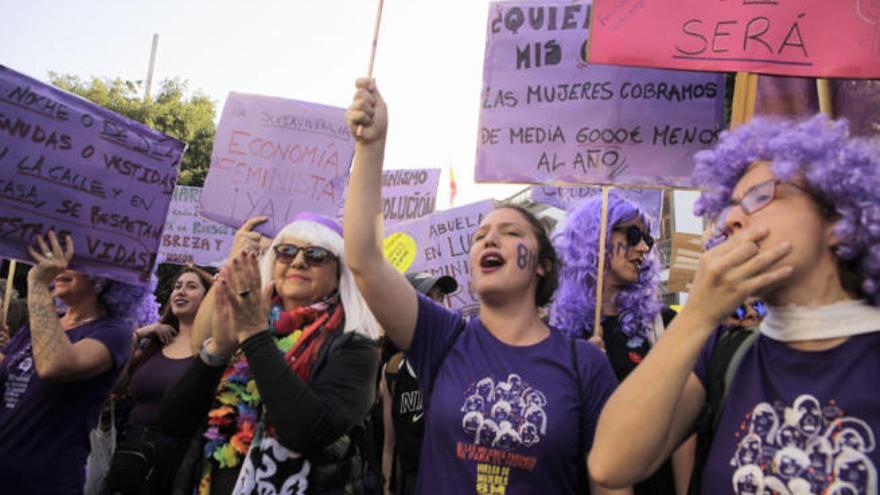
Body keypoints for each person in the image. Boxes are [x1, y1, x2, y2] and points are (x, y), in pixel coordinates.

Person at [344, 78, 627, 494]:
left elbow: (613, 484)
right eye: (481, 236)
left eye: (511, 232)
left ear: (543, 266)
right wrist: (371, 148)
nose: (489, 239)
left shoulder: (585, 364)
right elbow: (365, 260)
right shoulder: (442, 338)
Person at [588, 115, 880, 495]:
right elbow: (610, 464)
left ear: (837, 221)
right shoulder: (724, 353)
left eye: (761, 196)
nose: (732, 221)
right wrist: (697, 314)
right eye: (730, 208)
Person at [160, 213, 381, 494]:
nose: (299, 261)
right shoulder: (248, 323)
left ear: (339, 273)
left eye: (316, 254)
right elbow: (173, 423)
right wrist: (217, 351)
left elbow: (307, 432)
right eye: (286, 252)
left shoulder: (356, 343)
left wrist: (254, 334)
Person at [0, 231, 156, 493]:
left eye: (75, 262)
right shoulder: (41, 324)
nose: (61, 266)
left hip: (41, 483)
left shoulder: (113, 332)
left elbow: (55, 365)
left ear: (106, 275)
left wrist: (38, 286)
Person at [552, 192, 686, 494]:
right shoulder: (557, 333)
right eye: (633, 233)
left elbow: (682, 428)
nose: (643, 247)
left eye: (647, 240)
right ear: (594, 238)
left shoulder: (664, 325)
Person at [106, 265, 214, 494]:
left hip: (176, 460)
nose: (180, 292)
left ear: (209, 300)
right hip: (130, 452)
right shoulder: (155, 344)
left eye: (191, 287)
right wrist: (138, 335)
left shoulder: (213, 351)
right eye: (177, 286)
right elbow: (117, 386)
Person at [381, 271, 458, 494]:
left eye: (441, 298)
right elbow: (390, 445)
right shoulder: (393, 370)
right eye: (429, 298)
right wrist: (388, 487)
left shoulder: (460, 361)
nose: (439, 306)